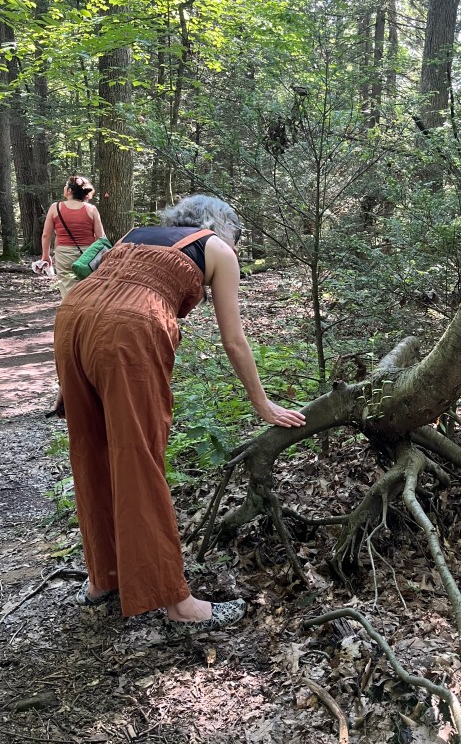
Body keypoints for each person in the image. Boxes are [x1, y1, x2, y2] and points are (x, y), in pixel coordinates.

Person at [53, 195, 306, 634]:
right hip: (130, 332)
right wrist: (263, 404)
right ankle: (175, 600)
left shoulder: (133, 236)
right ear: (225, 227)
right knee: (139, 458)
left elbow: (97, 294)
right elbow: (234, 340)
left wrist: (73, 379)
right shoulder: (217, 249)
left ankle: (103, 579)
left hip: (72, 320)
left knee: (90, 453)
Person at [41, 176, 106, 299]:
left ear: (69, 191)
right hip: (88, 254)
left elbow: (46, 234)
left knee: (68, 288)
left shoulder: (55, 207)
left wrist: (45, 255)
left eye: (66, 186)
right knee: (87, 286)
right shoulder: (91, 209)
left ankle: (71, 312)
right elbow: (101, 237)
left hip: (64, 254)